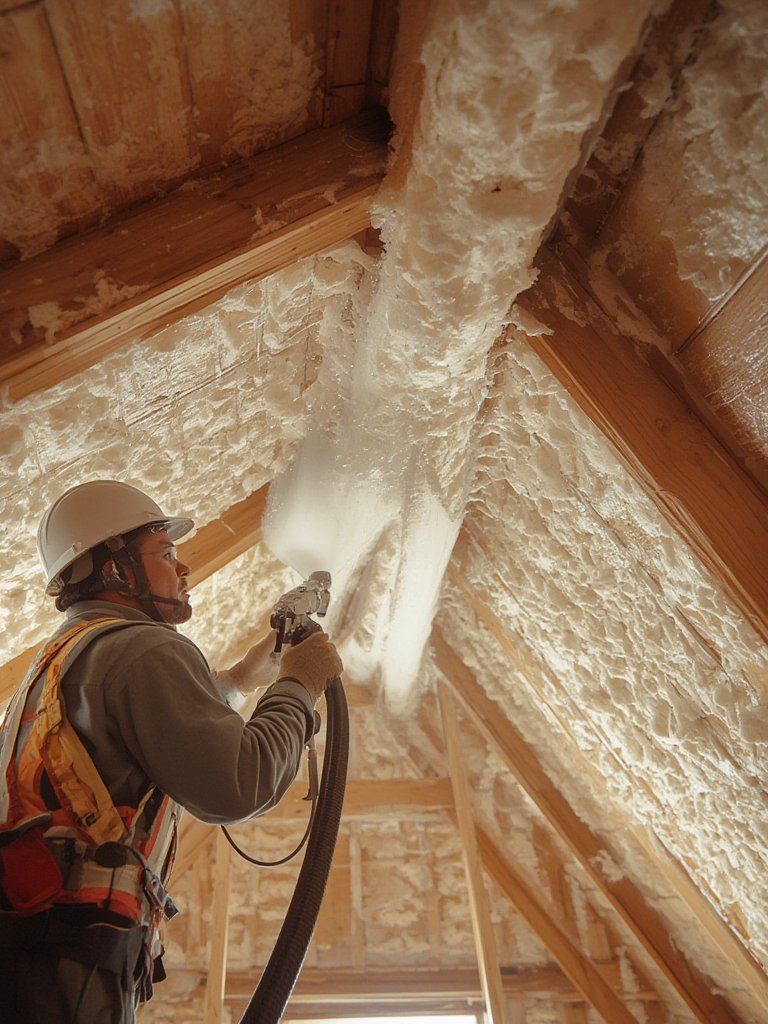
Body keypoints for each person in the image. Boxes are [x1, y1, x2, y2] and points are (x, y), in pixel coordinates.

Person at [0, 480, 342, 1022]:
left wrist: (239, 678)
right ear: (114, 568)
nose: (183, 569)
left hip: (33, 951)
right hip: (76, 965)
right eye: (166, 553)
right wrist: (298, 686)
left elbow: (143, 728)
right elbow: (239, 784)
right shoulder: (146, 648)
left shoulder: (60, 658)